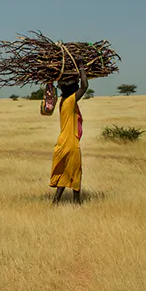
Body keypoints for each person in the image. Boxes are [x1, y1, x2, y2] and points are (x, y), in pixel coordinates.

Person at [42, 68, 88, 203]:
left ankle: (56, 201)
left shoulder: (63, 101)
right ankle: (77, 202)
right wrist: (81, 66)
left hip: (62, 142)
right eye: (75, 86)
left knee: (64, 171)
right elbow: (85, 86)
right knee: (75, 171)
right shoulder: (70, 101)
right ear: (72, 89)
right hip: (70, 142)